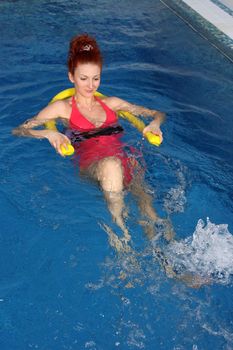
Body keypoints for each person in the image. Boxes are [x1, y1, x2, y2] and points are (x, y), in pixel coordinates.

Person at [12, 34, 167, 246]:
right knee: (112, 165)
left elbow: (156, 113)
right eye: (83, 78)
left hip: (126, 163)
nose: (91, 85)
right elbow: (20, 130)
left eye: (96, 78)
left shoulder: (112, 103)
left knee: (152, 215)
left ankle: (177, 268)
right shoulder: (62, 108)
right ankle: (124, 241)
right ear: (71, 77)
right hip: (93, 166)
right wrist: (49, 133)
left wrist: (155, 124)